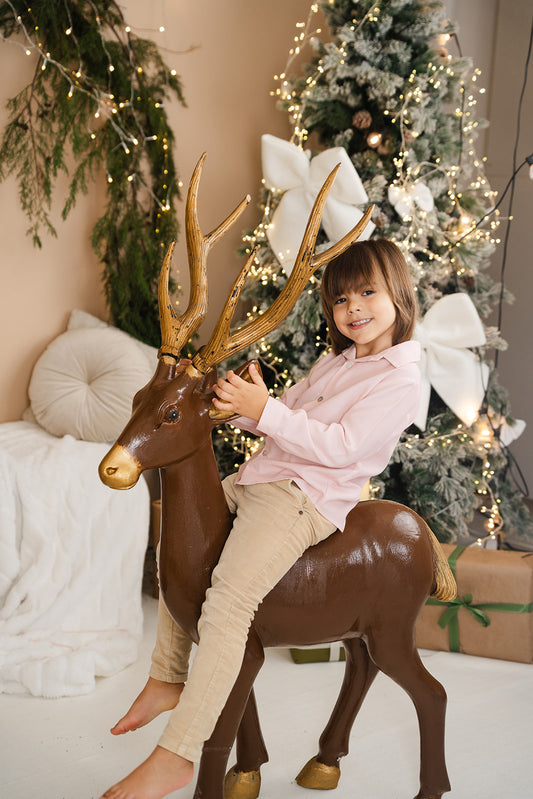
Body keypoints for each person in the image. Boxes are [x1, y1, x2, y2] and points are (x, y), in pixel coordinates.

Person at [99, 238, 421, 799]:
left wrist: (266, 411)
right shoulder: (337, 362)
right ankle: (166, 674)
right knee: (178, 543)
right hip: (261, 479)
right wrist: (245, 409)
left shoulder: (400, 379)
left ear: (399, 292)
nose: (354, 308)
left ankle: (176, 754)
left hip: (302, 497)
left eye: (368, 292)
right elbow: (287, 413)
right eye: (341, 299)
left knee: (227, 602)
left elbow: (343, 446)